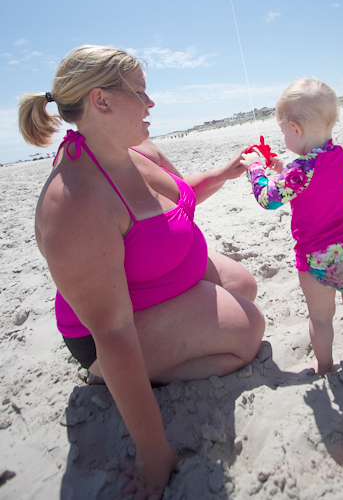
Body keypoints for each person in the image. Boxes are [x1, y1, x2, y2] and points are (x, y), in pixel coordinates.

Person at [18, 45, 265, 500]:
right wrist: (153, 455)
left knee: (244, 286)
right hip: (107, 334)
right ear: (101, 100)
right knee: (248, 332)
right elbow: (112, 330)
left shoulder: (136, 149)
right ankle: (109, 377)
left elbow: (177, 196)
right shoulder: (75, 201)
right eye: (140, 92)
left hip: (152, 284)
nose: (151, 103)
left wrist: (224, 173)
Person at [240, 77, 343, 378]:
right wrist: (283, 168)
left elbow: (268, 198)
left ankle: (324, 367)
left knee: (321, 319)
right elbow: (315, 181)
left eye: (284, 131)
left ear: (295, 129)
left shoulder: (301, 171)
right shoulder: (338, 155)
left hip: (315, 260)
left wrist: (255, 169)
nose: (285, 136)